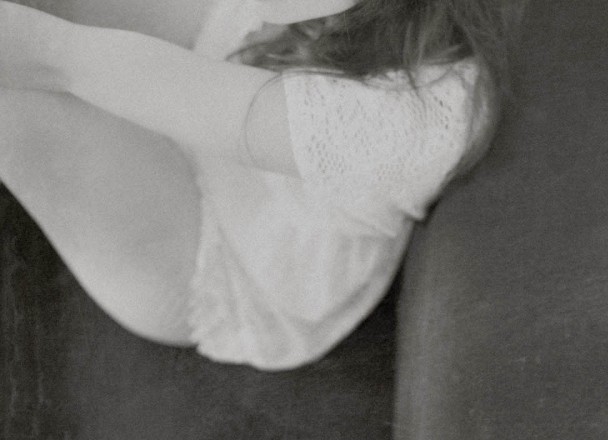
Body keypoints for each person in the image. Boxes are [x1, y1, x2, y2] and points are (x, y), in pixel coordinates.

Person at [0, 0, 520, 370]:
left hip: (230, 254)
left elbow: (57, 57)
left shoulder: (410, 119)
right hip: (224, 60)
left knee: (13, 104)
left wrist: (46, 46)